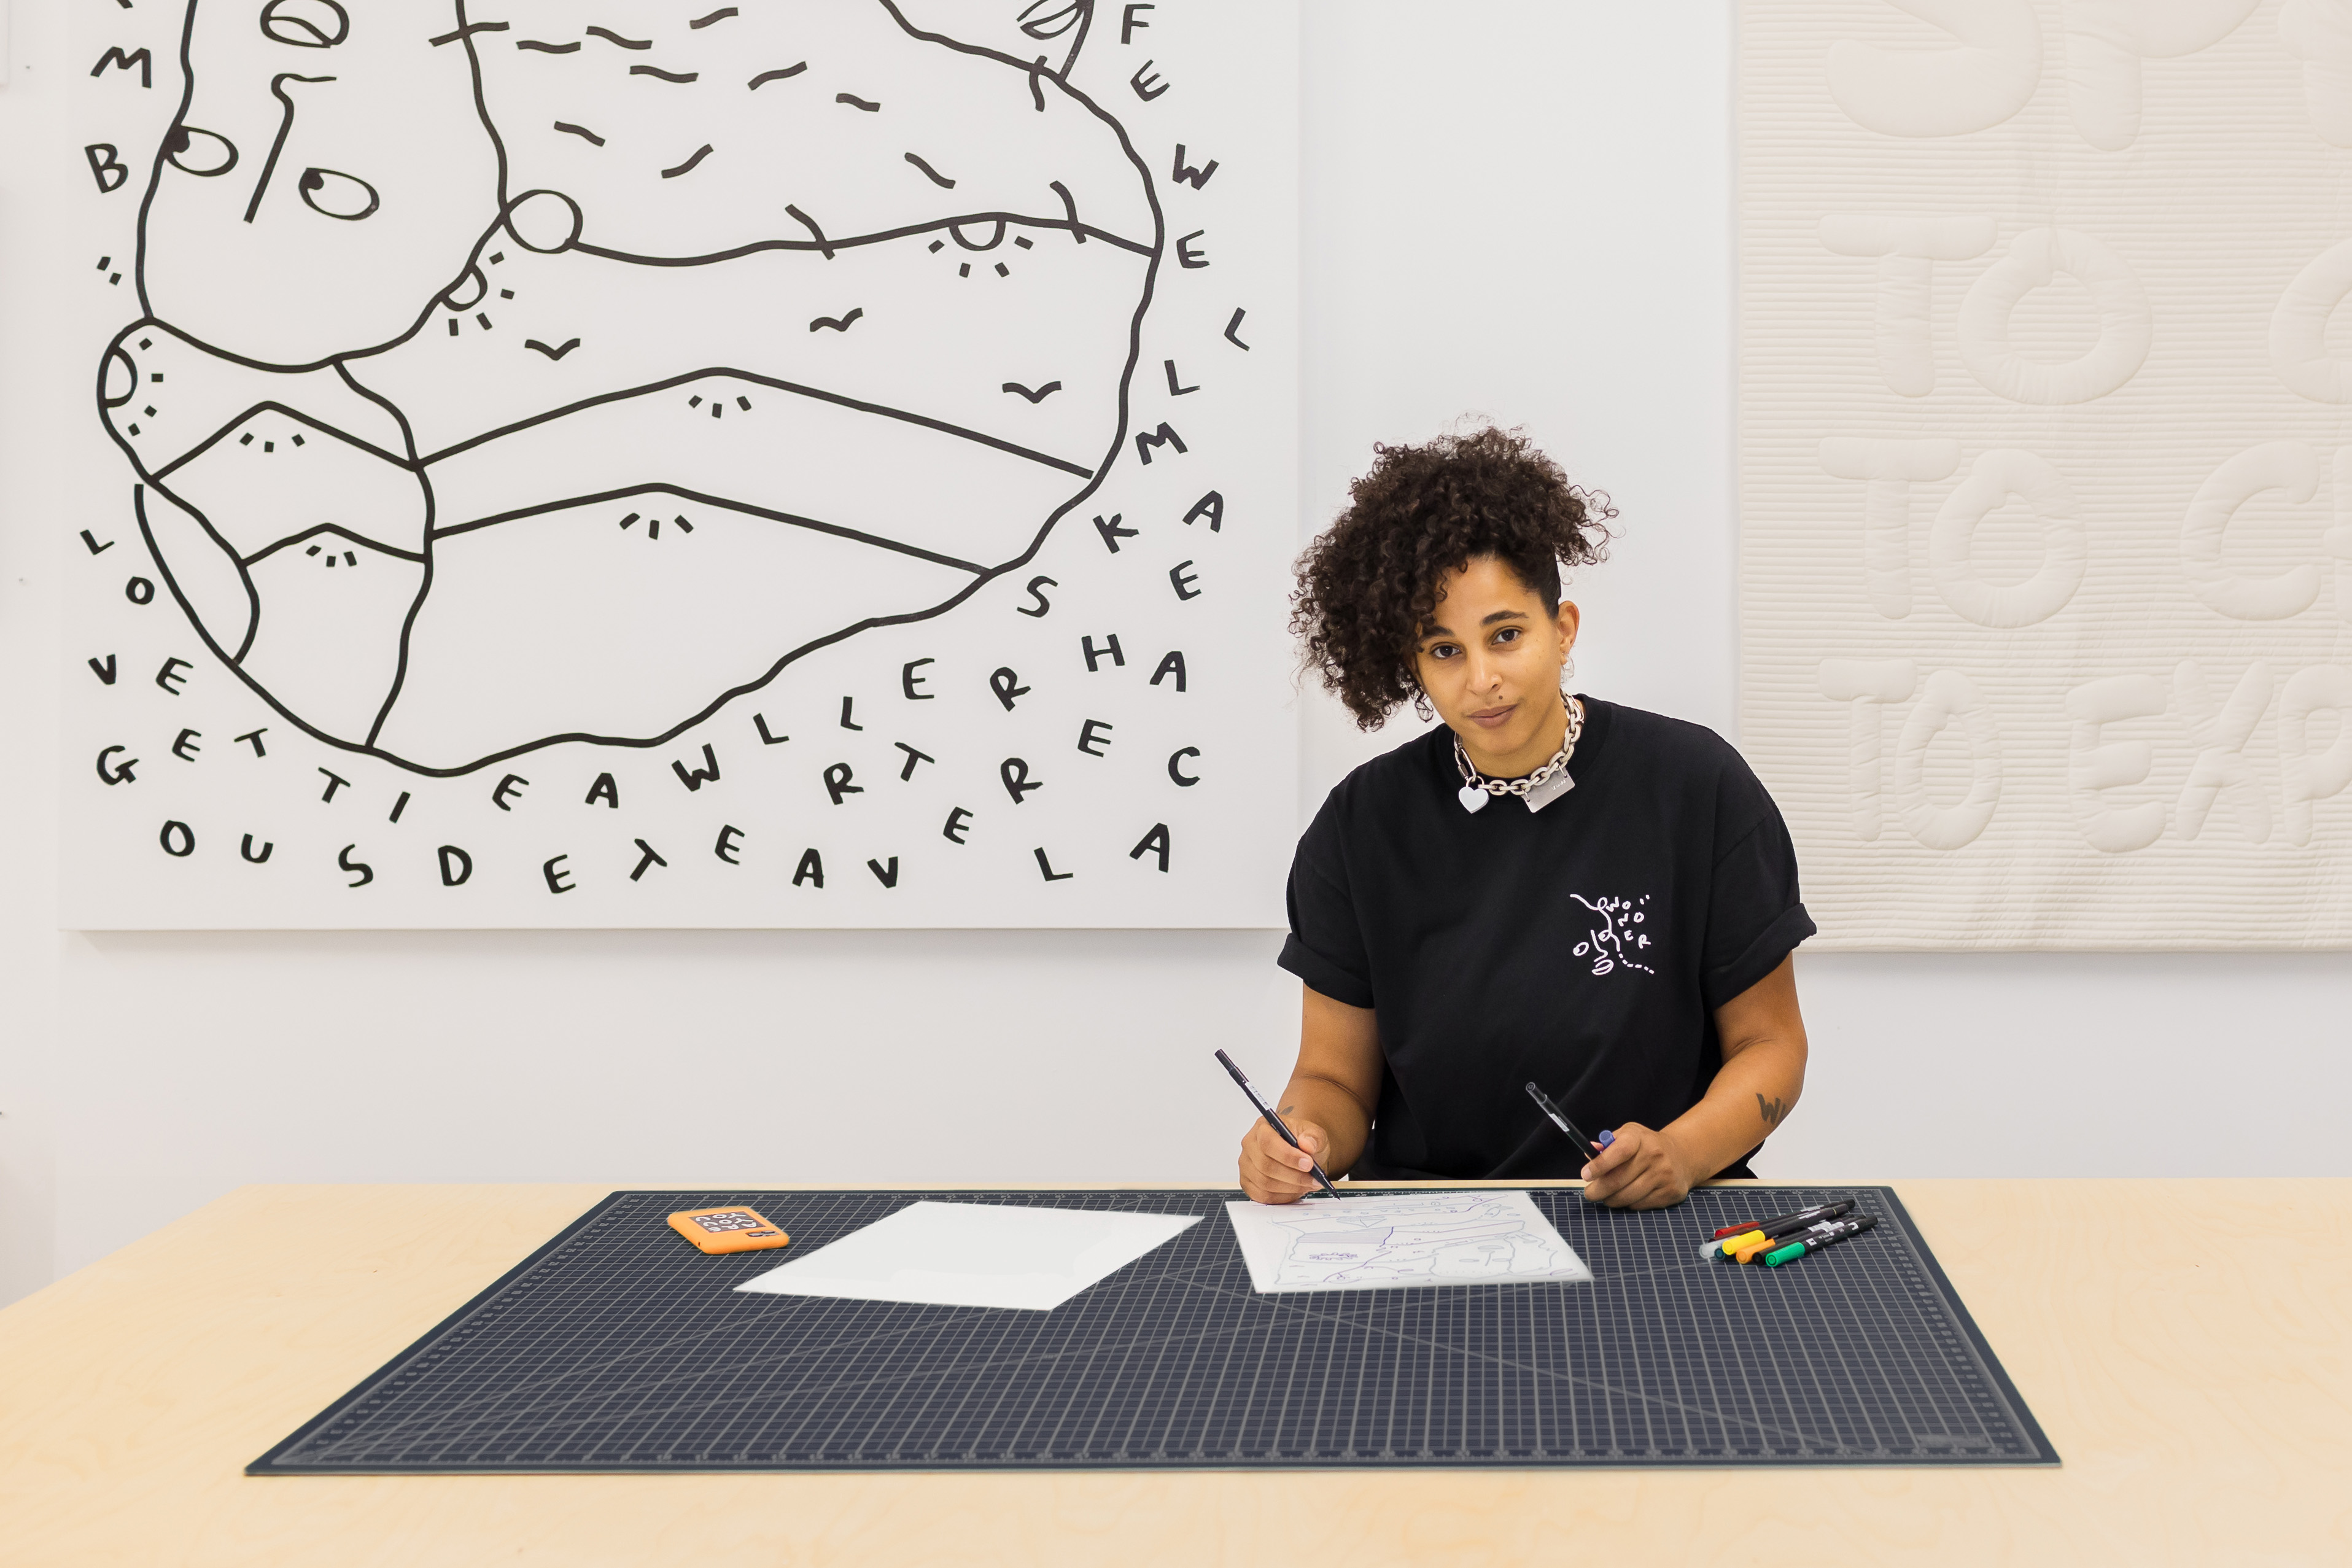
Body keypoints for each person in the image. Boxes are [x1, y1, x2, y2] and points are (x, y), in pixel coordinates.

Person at [1240, 427, 1814, 1210]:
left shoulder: (1697, 787)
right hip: (1423, 1226)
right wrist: (1300, 1138)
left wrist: (1680, 1151)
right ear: (1410, 666)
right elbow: (1334, 1080)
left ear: (1563, 628)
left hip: (1658, 1221)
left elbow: (1771, 1046)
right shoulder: (1360, 826)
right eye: (1443, 651)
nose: (1482, 679)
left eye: (1506, 635)